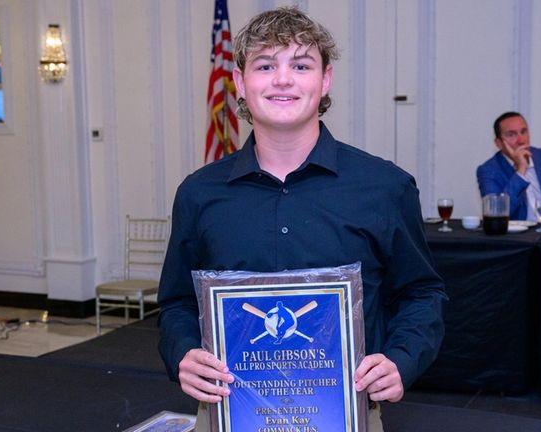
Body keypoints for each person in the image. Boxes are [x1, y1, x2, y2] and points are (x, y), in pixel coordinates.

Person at [157, 6, 446, 430]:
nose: (283, 79)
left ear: (325, 79)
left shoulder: (385, 187)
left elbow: (422, 293)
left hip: (347, 413)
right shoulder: (199, 194)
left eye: (301, 64)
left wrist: (401, 360)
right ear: (240, 81)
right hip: (228, 412)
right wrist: (183, 352)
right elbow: (177, 302)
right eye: (265, 65)